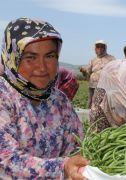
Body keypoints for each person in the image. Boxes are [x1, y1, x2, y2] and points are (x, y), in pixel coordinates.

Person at [0, 17, 88, 179]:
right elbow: (6, 161)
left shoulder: (59, 101)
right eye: (30, 57)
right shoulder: (3, 96)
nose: (42, 67)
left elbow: (78, 147)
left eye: (50, 56)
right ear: (13, 57)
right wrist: (63, 167)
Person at [80, 40, 115, 108]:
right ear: (95, 49)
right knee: (92, 101)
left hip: (105, 86)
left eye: (102, 47)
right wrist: (84, 71)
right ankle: (90, 116)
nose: (99, 49)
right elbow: (88, 72)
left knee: (104, 103)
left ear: (105, 48)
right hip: (93, 85)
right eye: (97, 47)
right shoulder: (93, 60)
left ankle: (104, 117)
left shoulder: (111, 58)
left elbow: (115, 71)